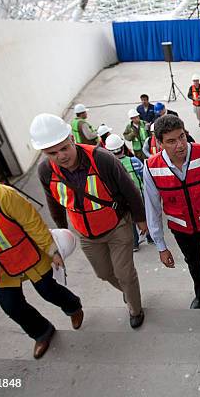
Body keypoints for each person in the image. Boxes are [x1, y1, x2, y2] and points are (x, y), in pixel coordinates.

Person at [0, 156, 83, 359]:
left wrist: (52, 250)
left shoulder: (0, 194)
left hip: (26, 253)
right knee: (11, 306)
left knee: (48, 291)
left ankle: (73, 306)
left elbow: (32, 222)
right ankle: (41, 332)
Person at [32, 114, 146, 329]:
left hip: (117, 226)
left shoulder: (102, 158)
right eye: (52, 153)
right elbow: (54, 203)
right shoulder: (45, 171)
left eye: (64, 148)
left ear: (72, 140)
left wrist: (140, 219)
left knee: (125, 273)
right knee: (103, 274)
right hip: (86, 234)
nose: (61, 156)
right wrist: (60, 234)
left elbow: (128, 189)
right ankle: (128, 292)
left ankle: (135, 307)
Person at [144, 114, 200, 331]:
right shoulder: (151, 167)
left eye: (182, 137)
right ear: (159, 143)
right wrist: (161, 246)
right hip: (182, 231)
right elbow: (152, 208)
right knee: (194, 266)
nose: (180, 145)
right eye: (171, 141)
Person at [104, 134, 150, 252]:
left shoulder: (107, 167)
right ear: (123, 148)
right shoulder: (133, 161)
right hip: (138, 195)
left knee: (130, 221)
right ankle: (150, 237)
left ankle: (135, 244)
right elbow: (144, 176)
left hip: (121, 200)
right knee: (144, 216)